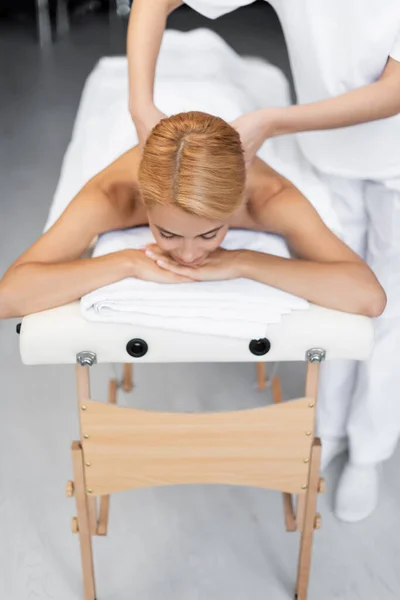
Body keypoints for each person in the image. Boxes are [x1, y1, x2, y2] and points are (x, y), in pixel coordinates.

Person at [126, 0, 400, 523]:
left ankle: (369, 450)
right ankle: (327, 433)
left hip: (395, 153)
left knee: (389, 306)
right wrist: (141, 107)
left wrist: (272, 121)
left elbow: (395, 89)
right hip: (326, 151)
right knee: (331, 299)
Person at [0, 111, 384, 328]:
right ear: (144, 204)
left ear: (236, 205)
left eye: (209, 234)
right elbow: (9, 297)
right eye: (166, 233)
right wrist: (128, 262)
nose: (187, 255)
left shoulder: (270, 199)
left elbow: (368, 296)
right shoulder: (112, 196)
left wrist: (242, 261)